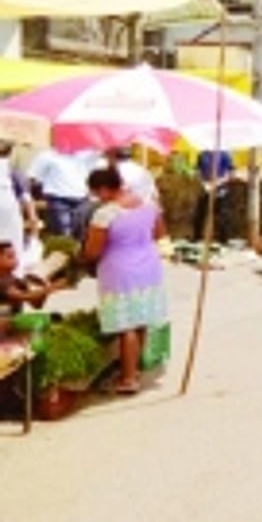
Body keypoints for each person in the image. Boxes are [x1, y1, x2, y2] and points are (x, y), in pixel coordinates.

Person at [81, 167, 169, 394]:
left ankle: (128, 379)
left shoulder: (106, 214)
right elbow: (160, 234)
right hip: (148, 266)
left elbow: (92, 251)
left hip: (119, 270)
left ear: (103, 189)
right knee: (140, 319)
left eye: (95, 193)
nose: (96, 198)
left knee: (125, 326)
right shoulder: (148, 204)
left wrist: (79, 258)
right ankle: (135, 370)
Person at [27, 146, 89, 237]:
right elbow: (33, 177)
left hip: (81, 199)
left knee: (79, 235)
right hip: (58, 199)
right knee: (63, 234)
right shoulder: (47, 155)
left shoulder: (85, 155)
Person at [0, 141, 37, 273]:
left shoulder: (13, 172)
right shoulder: (13, 172)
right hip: (10, 217)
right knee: (13, 246)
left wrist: (32, 218)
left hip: (10, 217)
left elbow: (26, 197)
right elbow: (27, 197)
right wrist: (33, 219)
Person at [0, 241, 63, 315]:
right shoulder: (2, 282)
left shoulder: (17, 281)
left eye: (15, 256)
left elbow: (37, 305)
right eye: (10, 256)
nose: (15, 260)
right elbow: (26, 296)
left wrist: (45, 286)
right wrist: (52, 287)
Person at [192, 149, 234, 244]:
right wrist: (204, 183)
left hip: (220, 191)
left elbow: (230, 173)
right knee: (199, 215)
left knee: (223, 217)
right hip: (205, 189)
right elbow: (197, 171)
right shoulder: (202, 154)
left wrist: (218, 182)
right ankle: (197, 238)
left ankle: (223, 241)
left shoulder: (225, 154)